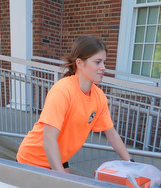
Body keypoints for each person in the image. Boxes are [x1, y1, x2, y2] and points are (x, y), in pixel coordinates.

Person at [16, 35, 132, 172]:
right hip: (32, 160)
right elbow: (48, 139)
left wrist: (131, 164)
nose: (103, 67)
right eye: (98, 62)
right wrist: (61, 179)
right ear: (80, 63)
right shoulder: (62, 91)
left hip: (59, 156)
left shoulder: (99, 97)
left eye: (104, 62)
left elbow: (111, 133)